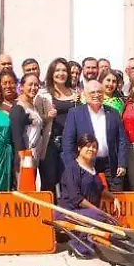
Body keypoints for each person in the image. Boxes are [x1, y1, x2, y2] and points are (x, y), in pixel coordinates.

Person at [57, 133, 123, 258]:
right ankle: (78, 245)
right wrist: (99, 212)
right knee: (100, 217)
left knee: (113, 223)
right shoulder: (72, 169)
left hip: (89, 212)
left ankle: (94, 242)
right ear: (79, 148)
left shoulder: (92, 169)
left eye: (94, 147)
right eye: (88, 146)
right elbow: (76, 198)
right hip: (69, 212)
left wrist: (114, 199)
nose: (91, 149)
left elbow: (100, 189)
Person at [62, 80, 130, 192]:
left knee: (116, 198)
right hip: (85, 164)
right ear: (85, 94)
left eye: (99, 92)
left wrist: (122, 163)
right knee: (89, 197)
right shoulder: (75, 113)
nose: (96, 95)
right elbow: (68, 142)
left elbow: (122, 139)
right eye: (92, 92)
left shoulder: (113, 113)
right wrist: (72, 166)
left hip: (111, 165)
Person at [39, 58, 78, 195]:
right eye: (57, 70)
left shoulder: (76, 94)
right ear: (51, 73)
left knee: (68, 181)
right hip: (50, 144)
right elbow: (36, 122)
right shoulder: (43, 95)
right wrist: (47, 117)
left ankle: (66, 213)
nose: (61, 73)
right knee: (49, 180)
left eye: (64, 70)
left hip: (70, 144)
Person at [10, 72, 53, 189]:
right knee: (24, 191)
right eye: (30, 84)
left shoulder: (32, 105)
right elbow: (17, 136)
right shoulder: (19, 107)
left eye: (36, 85)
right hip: (25, 159)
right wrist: (23, 161)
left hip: (34, 156)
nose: (33, 88)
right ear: (21, 87)